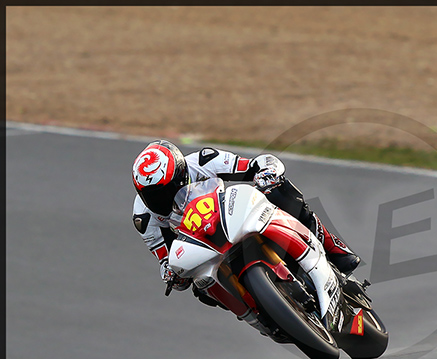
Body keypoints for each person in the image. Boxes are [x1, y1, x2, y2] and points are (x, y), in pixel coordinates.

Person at [132, 139, 360, 340]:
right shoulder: (143, 216)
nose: (158, 198)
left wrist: (265, 172)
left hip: (231, 216)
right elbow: (166, 256)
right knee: (201, 287)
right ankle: (260, 317)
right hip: (204, 245)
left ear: (181, 174)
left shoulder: (203, 161)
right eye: (150, 194)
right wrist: (171, 273)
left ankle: (333, 247)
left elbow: (251, 166)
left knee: (280, 191)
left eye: (164, 190)